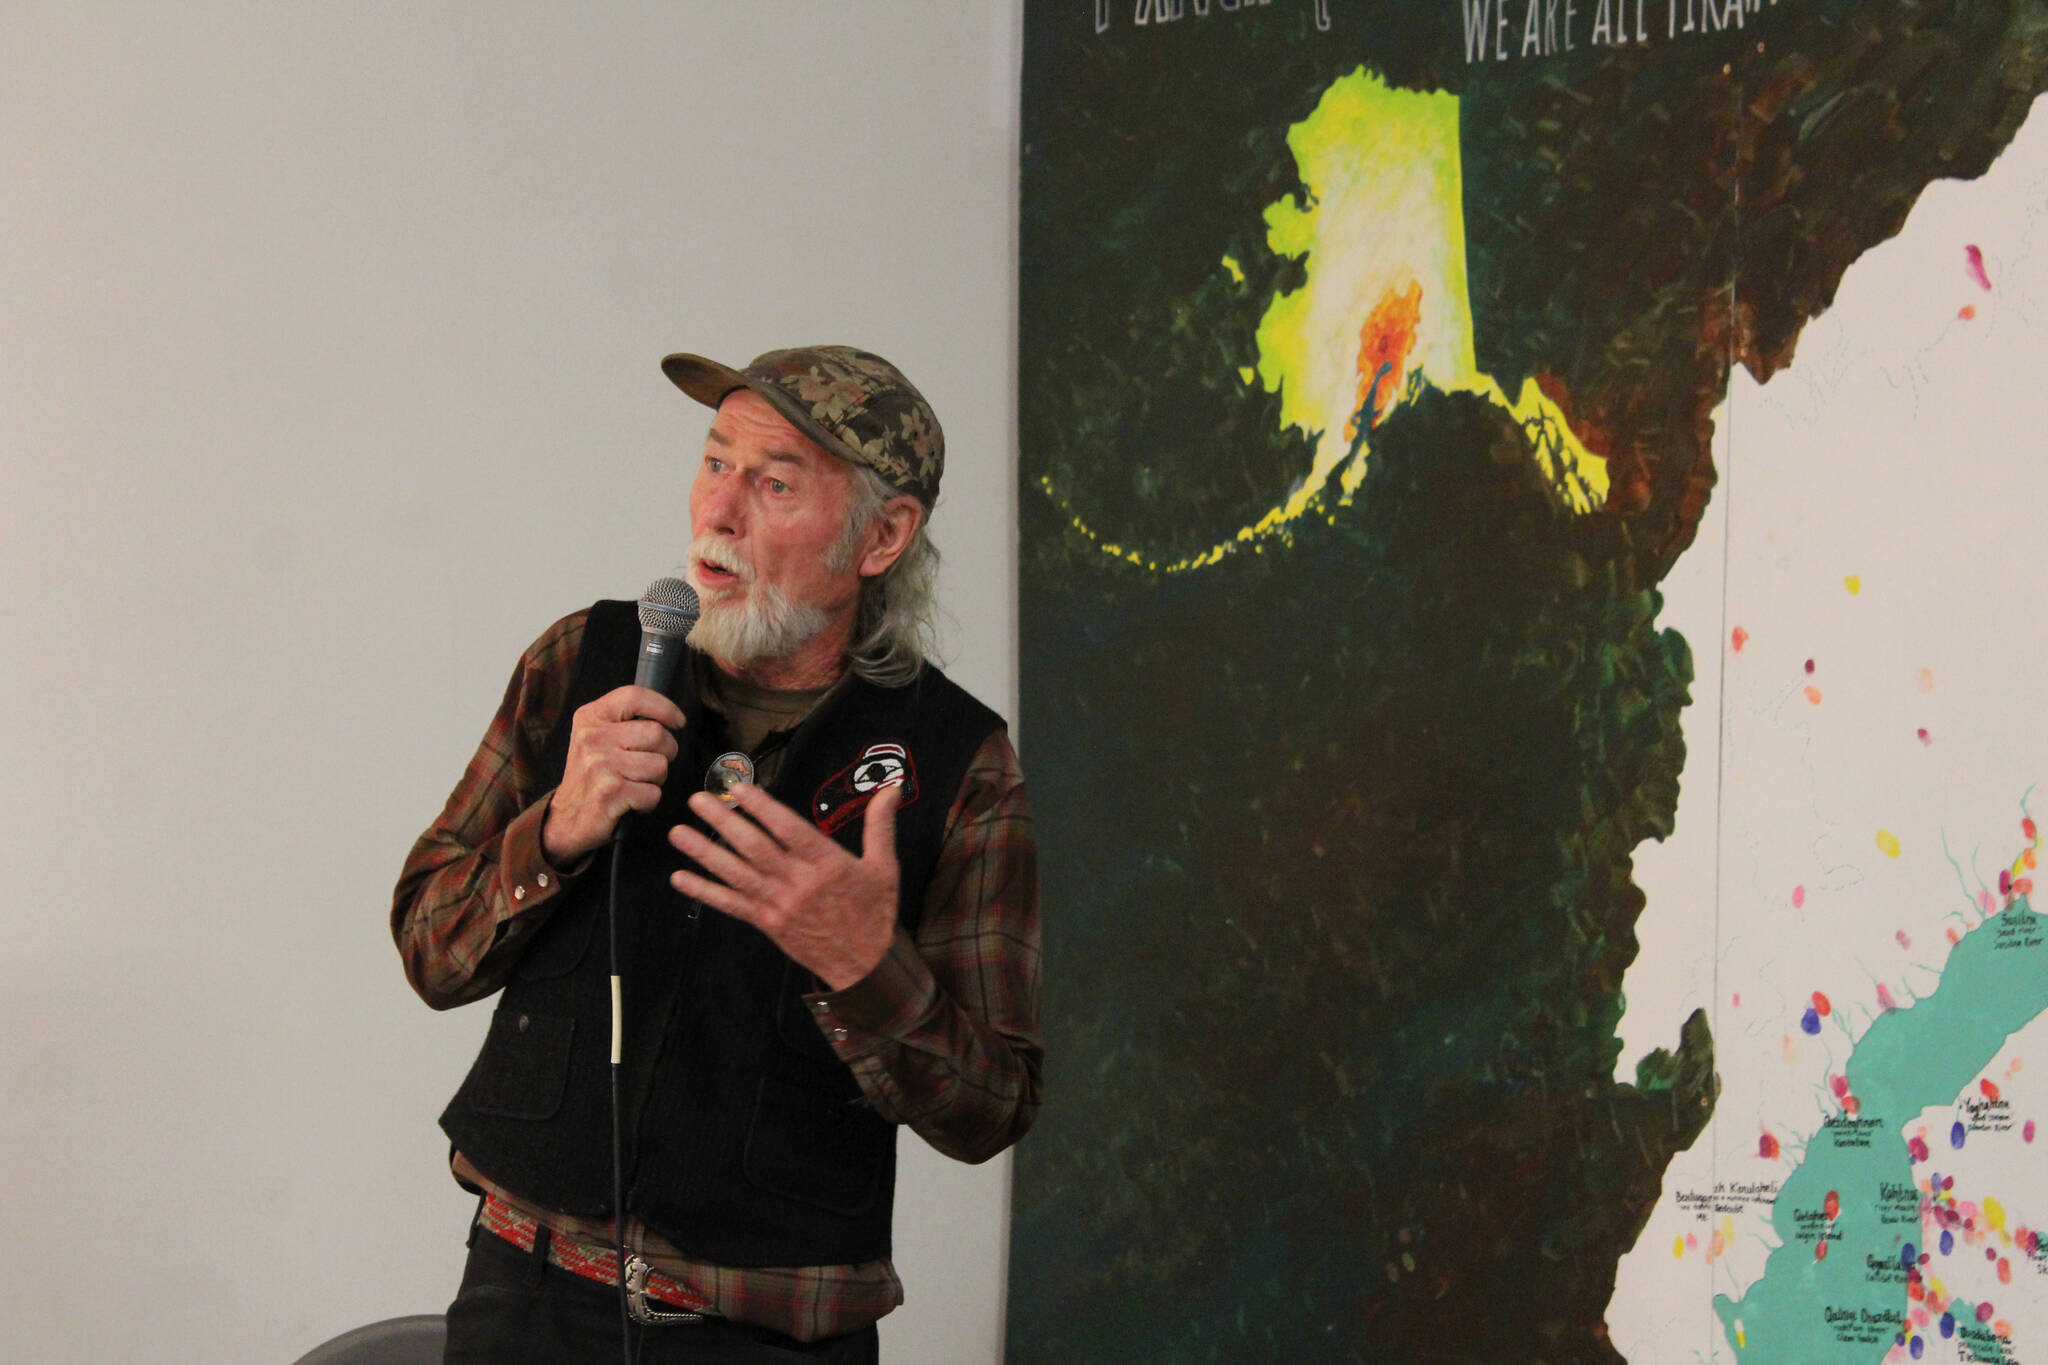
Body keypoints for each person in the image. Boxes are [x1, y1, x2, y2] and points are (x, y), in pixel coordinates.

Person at [391, 346, 1042, 1364]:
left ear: (883, 535)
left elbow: (990, 1110)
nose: (719, 512)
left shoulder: (957, 764)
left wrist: (865, 967)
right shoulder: (582, 665)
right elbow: (428, 950)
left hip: (762, 1338)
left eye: (774, 482)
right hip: (525, 1303)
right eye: (714, 462)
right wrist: (557, 828)